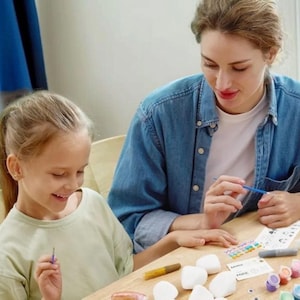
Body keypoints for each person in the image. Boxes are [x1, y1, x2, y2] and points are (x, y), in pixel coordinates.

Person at [0, 91, 237, 300]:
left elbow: (125, 269)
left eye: (80, 171)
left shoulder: (91, 202)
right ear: (17, 168)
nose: (73, 184)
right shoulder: (7, 252)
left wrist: (172, 241)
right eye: (59, 174)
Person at [108, 0, 300, 253]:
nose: (222, 83)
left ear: (271, 53)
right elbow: (126, 220)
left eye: (239, 68)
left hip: (258, 254)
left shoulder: (295, 108)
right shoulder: (159, 113)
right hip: (183, 259)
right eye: (210, 64)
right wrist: (201, 222)